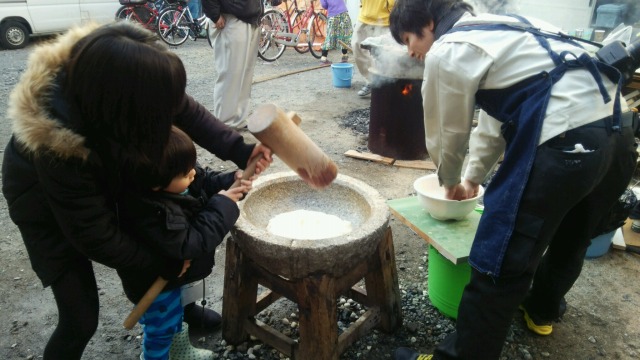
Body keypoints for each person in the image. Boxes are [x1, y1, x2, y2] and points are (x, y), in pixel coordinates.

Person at [1, 21, 272, 360]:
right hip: (43, 202)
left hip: (116, 163)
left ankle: (180, 319)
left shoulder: (124, 77)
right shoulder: (58, 148)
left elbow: (186, 111)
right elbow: (95, 234)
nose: (166, 116)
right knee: (80, 315)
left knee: (172, 242)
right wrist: (160, 263)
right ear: (128, 111)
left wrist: (240, 150)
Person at [388, 0, 638, 359]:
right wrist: (473, 178)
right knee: (573, 234)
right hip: (620, 136)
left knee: (500, 257)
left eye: (408, 39)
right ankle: (541, 312)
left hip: (566, 145)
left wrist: (450, 181)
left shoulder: (449, 49)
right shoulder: (508, 29)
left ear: (428, 23)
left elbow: (446, 132)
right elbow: (497, 117)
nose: (411, 51)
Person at [119, 126, 253, 360]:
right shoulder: (154, 214)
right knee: (161, 329)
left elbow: (202, 179)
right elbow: (192, 242)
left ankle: (179, 350)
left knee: (177, 314)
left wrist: (229, 180)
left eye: (192, 166)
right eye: (185, 172)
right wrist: (223, 204)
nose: (192, 173)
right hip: (155, 284)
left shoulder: (174, 179)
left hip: (174, 278)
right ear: (156, 184)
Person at [202, 0, 263, 129]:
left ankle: (238, 119)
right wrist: (214, 15)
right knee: (231, 73)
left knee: (245, 73)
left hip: (249, 16)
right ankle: (224, 123)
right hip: (231, 17)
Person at [351, 0, 395, 97]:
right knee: (356, 46)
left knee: (384, 55)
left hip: (384, 19)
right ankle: (371, 81)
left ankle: (385, 85)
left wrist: (393, 15)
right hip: (364, 17)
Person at [319, 0, 353, 64]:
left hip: (333, 15)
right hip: (344, 13)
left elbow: (324, 5)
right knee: (344, 35)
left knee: (329, 36)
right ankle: (344, 56)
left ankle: (323, 58)